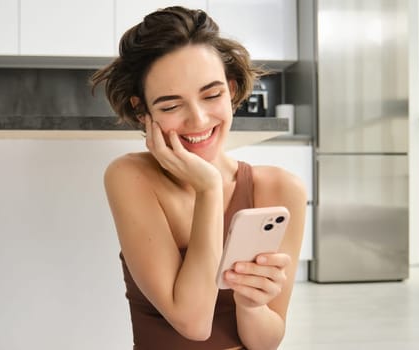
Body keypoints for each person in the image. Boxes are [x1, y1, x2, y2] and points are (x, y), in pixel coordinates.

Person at [91, 6, 307, 350]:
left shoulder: (281, 188)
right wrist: (209, 189)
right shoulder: (131, 177)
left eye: (211, 95)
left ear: (232, 90)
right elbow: (193, 322)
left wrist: (251, 305)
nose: (198, 119)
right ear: (142, 111)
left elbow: (266, 343)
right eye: (170, 105)